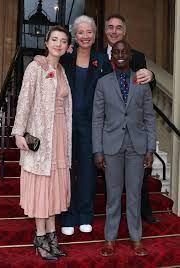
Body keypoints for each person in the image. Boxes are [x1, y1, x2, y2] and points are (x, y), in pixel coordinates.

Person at [34, 15, 111, 236]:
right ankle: (67, 215)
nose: (85, 36)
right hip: (64, 123)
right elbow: (48, 64)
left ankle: (85, 214)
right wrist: (41, 59)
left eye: (89, 32)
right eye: (80, 32)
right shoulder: (65, 58)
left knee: (87, 171)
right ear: (74, 36)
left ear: (94, 35)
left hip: (91, 125)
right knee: (65, 170)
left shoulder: (102, 61)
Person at [11, 25, 72, 260]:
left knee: (54, 187)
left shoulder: (63, 72)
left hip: (59, 135)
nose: (58, 44)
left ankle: (51, 235)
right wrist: (18, 133)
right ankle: (40, 237)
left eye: (63, 41)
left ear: (67, 47)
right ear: (46, 43)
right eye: (54, 39)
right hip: (40, 136)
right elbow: (24, 100)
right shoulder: (35, 68)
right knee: (41, 187)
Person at [92, 40, 156, 257]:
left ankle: (136, 238)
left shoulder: (142, 82)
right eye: (116, 52)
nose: (120, 55)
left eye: (124, 52)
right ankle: (110, 239)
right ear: (112, 57)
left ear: (130, 55)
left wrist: (150, 148)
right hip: (111, 147)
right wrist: (97, 150)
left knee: (135, 196)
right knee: (113, 195)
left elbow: (149, 118)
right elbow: (97, 119)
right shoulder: (103, 83)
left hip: (137, 148)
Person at [104, 13, 158, 223]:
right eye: (111, 27)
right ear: (106, 30)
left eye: (119, 27)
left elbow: (147, 87)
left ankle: (143, 211)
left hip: (134, 127)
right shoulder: (96, 56)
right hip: (110, 126)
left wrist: (151, 75)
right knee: (111, 181)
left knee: (139, 178)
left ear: (124, 31)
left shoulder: (137, 57)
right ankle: (112, 220)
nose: (114, 31)